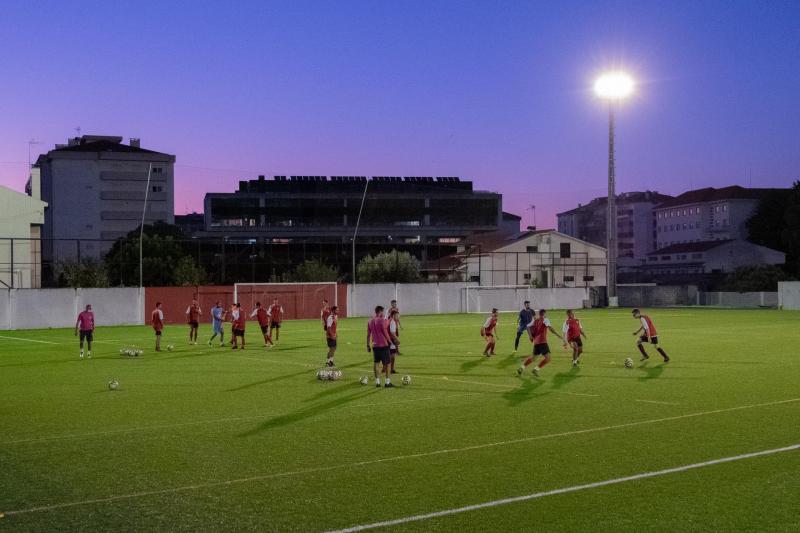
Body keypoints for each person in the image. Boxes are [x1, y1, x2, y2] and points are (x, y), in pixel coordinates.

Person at [517, 309, 563, 377]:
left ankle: (521, 368)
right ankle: (536, 369)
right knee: (548, 359)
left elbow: (527, 326)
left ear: (539, 314)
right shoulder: (545, 319)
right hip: (542, 341)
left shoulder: (535, 320)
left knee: (533, 358)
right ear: (544, 314)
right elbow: (550, 329)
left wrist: (530, 336)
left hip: (536, 342)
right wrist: (558, 335)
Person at [367, 305, 393, 388]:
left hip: (375, 345)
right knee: (388, 363)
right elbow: (385, 332)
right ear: (380, 311)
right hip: (383, 345)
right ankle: (387, 382)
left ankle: (377, 382)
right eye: (382, 312)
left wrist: (367, 345)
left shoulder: (370, 321)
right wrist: (390, 342)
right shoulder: (381, 320)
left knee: (376, 363)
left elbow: (368, 335)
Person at [387, 308, 400, 373]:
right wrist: (397, 339)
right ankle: (391, 369)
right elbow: (392, 333)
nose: (398, 317)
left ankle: (385, 369)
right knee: (392, 355)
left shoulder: (389, 320)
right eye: (397, 315)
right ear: (394, 315)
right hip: (391, 340)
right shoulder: (393, 322)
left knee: (388, 354)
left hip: (387, 339)